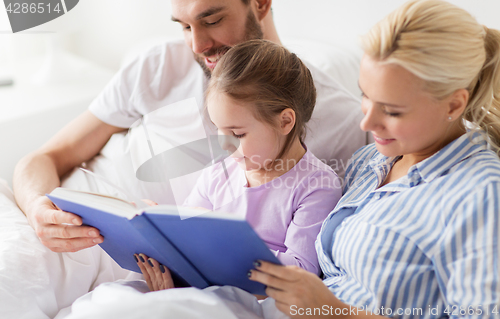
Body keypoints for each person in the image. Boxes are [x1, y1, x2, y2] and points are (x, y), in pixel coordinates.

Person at [12, 0, 365, 254]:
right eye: (183, 26)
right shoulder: (155, 66)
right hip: (91, 232)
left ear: (260, 4)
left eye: (210, 20)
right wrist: (37, 207)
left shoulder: (343, 120)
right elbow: (45, 157)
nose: (197, 45)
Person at [245, 0, 500, 317]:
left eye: (392, 110)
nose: (366, 124)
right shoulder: (370, 161)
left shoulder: (481, 192)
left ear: (453, 105)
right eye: (365, 95)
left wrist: (332, 310)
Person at [135, 40, 342, 286]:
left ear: (285, 122)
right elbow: (188, 234)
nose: (225, 145)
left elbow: (301, 271)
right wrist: (158, 226)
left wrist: (220, 240)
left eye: (237, 134)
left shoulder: (316, 185)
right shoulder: (219, 172)